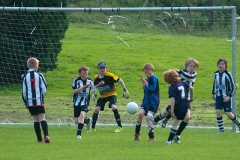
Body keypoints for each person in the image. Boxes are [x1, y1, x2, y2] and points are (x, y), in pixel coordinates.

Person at [149, 58, 199, 143]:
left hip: (186, 99)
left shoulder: (193, 75)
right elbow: (174, 79)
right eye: (191, 66)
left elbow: (189, 78)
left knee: (187, 117)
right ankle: (157, 120)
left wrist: (191, 97)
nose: (192, 68)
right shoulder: (180, 74)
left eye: (194, 67)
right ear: (186, 65)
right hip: (179, 97)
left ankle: (177, 134)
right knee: (172, 109)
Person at [88, 62, 129, 133]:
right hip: (102, 95)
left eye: (104, 68)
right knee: (96, 109)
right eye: (101, 68)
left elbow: (120, 80)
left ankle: (120, 127)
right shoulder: (96, 77)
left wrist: (124, 89)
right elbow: (93, 87)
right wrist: (94, 93)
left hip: (111, 94)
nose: (102, 69)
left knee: (114, 107)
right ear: (98, 69)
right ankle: (93, 128)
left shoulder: (110, 75)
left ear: (106, 68)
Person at [21, 57, 50, 143]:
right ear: (35, 66)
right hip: (39, 101)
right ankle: (46, 135)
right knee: (42, 118)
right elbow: (44, 89)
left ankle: (39, 139)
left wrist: (25, 101)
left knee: (36, 119)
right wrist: (42, 97)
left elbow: (24, 91)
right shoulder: (39, 75)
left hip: (30, 102)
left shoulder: (24, 76)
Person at [162, 69, 193, 145]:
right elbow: (191, 88)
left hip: (179, 106)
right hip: (185, 105)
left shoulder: (172, 87)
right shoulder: (184, 83)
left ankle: (169, 140)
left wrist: (172, 111)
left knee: (175, 123)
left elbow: (172, 100)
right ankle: (174, 137)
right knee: (177, 122)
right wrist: (191, 97)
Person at [212, 58, 240, 133]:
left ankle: (239, 124)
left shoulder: (228, 75)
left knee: (229, 114)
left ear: (225, 65)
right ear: (217, 65)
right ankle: (221, 130)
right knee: (218, 112)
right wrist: (214, 93)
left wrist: (229, 96)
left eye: (222, 64)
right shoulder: (215, 74)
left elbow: (233, 86)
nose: (221, 65)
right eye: (219, 64)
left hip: (226, 97)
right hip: (218, 96)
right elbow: (215, 85)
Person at [134, 63, 160, 141]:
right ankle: (137, 134)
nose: (147, 73)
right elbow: (146, 92)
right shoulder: (147, 79)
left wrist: (146, 84)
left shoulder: (154, 78)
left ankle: (151, 137)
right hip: (146, 102)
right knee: (140, 114)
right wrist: (144, 86)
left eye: (148, 72)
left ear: (152, 71)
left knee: (149, 117)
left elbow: (152, 89)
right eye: (145, 72)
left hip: (153, 103)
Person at [72, 66, 98, 139]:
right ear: (80, 73)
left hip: (85, 102)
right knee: (77, 121)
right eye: (83, 73)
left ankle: (78, 134)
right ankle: (87, 121)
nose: (85, 75)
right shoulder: (76, 81)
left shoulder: (89, 81)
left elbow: (93, 88)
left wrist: (95, 92)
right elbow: (74, 91)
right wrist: (83, 88)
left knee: (82, 115)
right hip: (76, 102)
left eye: (86, 73)